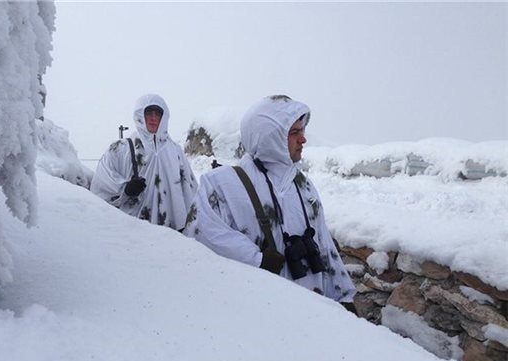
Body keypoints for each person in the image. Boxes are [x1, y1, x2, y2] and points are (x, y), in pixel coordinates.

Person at [184, 95, 356, 305]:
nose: (303, 139)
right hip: (251, 310)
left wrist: (344, 298)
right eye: (294, 132)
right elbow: (204, 234)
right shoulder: (221, 184)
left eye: (302, 131)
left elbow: (324, 245)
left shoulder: (304, 187)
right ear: (268, 137)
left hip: (311, 310)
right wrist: (258, 260)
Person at [91, 94, 197, 231]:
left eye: (157, 113)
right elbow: (101, 184)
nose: (153, 118)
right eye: (149, 113)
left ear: (163, 117)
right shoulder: (120, 150)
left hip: (173, 233)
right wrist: (125, 189)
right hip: (134, 232)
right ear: (140, 116)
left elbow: (190, 190)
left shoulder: (175, 151)